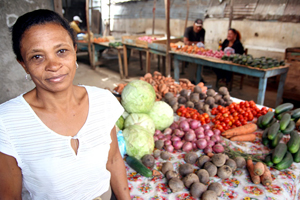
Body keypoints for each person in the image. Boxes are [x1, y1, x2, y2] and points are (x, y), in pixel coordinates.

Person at [0, 9, 130, 200]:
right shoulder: (7, 122)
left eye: (61, 51)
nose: (53, 65)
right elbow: (9, 196)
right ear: (23, 64)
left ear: (75, 51)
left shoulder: (103, 101)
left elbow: (113, 159)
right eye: (37, 56)